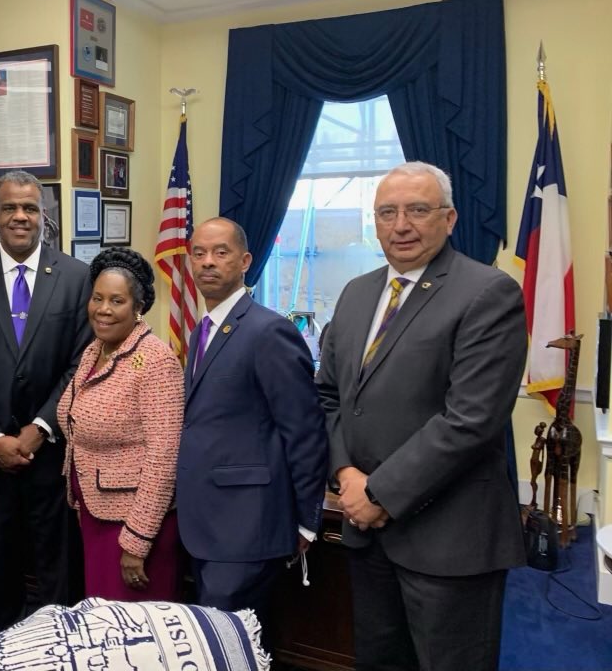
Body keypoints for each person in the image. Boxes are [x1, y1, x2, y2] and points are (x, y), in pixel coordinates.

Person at [316, 161, 527, 671]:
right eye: (387, 213)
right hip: (368, 535)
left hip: (449, 541)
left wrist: (380, 493)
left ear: (449, 219)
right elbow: (328, 396)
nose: (401, 225)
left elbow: (470, 420)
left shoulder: (488, 292)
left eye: (417, 210)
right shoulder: (356, 293)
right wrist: (347, 476)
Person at [0, 169, 92, 633]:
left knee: (57, 568)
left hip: (51, 453)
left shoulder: (76, 277)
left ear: (43, 215)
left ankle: (55, 648)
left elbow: (78, 366)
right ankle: (2, 648)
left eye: (30, 207)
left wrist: (38, 429)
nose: (20, 216)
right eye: (10, 207)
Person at [177, 217, 327, 649]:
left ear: (244, 261)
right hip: (206, 521)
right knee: (219, 644)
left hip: (247, 525)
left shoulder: (268, 330)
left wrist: (307, 521)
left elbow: (304, 430)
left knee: (229, 646)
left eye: (220, 253)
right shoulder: (202, 329)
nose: (208, 263)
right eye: (199, 253)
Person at [56, 247, 184, 601]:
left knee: (135, 634)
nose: (103, 309)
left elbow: (163, 458)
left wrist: (137, 541)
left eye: (117, 300)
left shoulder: (156, 362)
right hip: (96, 513)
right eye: (97, 298)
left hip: (134, 524)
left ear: (138, 306)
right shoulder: (95, 349)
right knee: (102, 619)